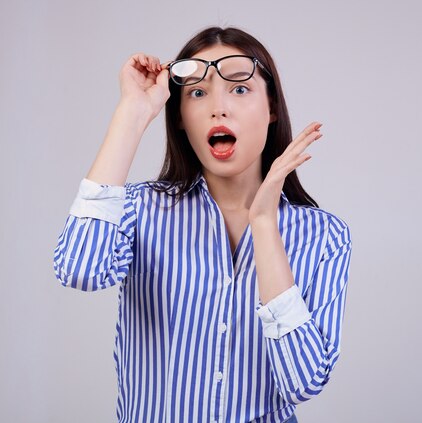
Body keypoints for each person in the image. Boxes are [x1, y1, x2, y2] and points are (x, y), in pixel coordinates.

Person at [52, 26, 352, 423]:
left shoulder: (324, 236)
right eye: (197, 92)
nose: (218, 108)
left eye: (240, 89)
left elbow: (304, 381)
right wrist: (134, 112)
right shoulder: (140, 210)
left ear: (272, 108)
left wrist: (263, 225)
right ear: (180, 117)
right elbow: (78, 268)